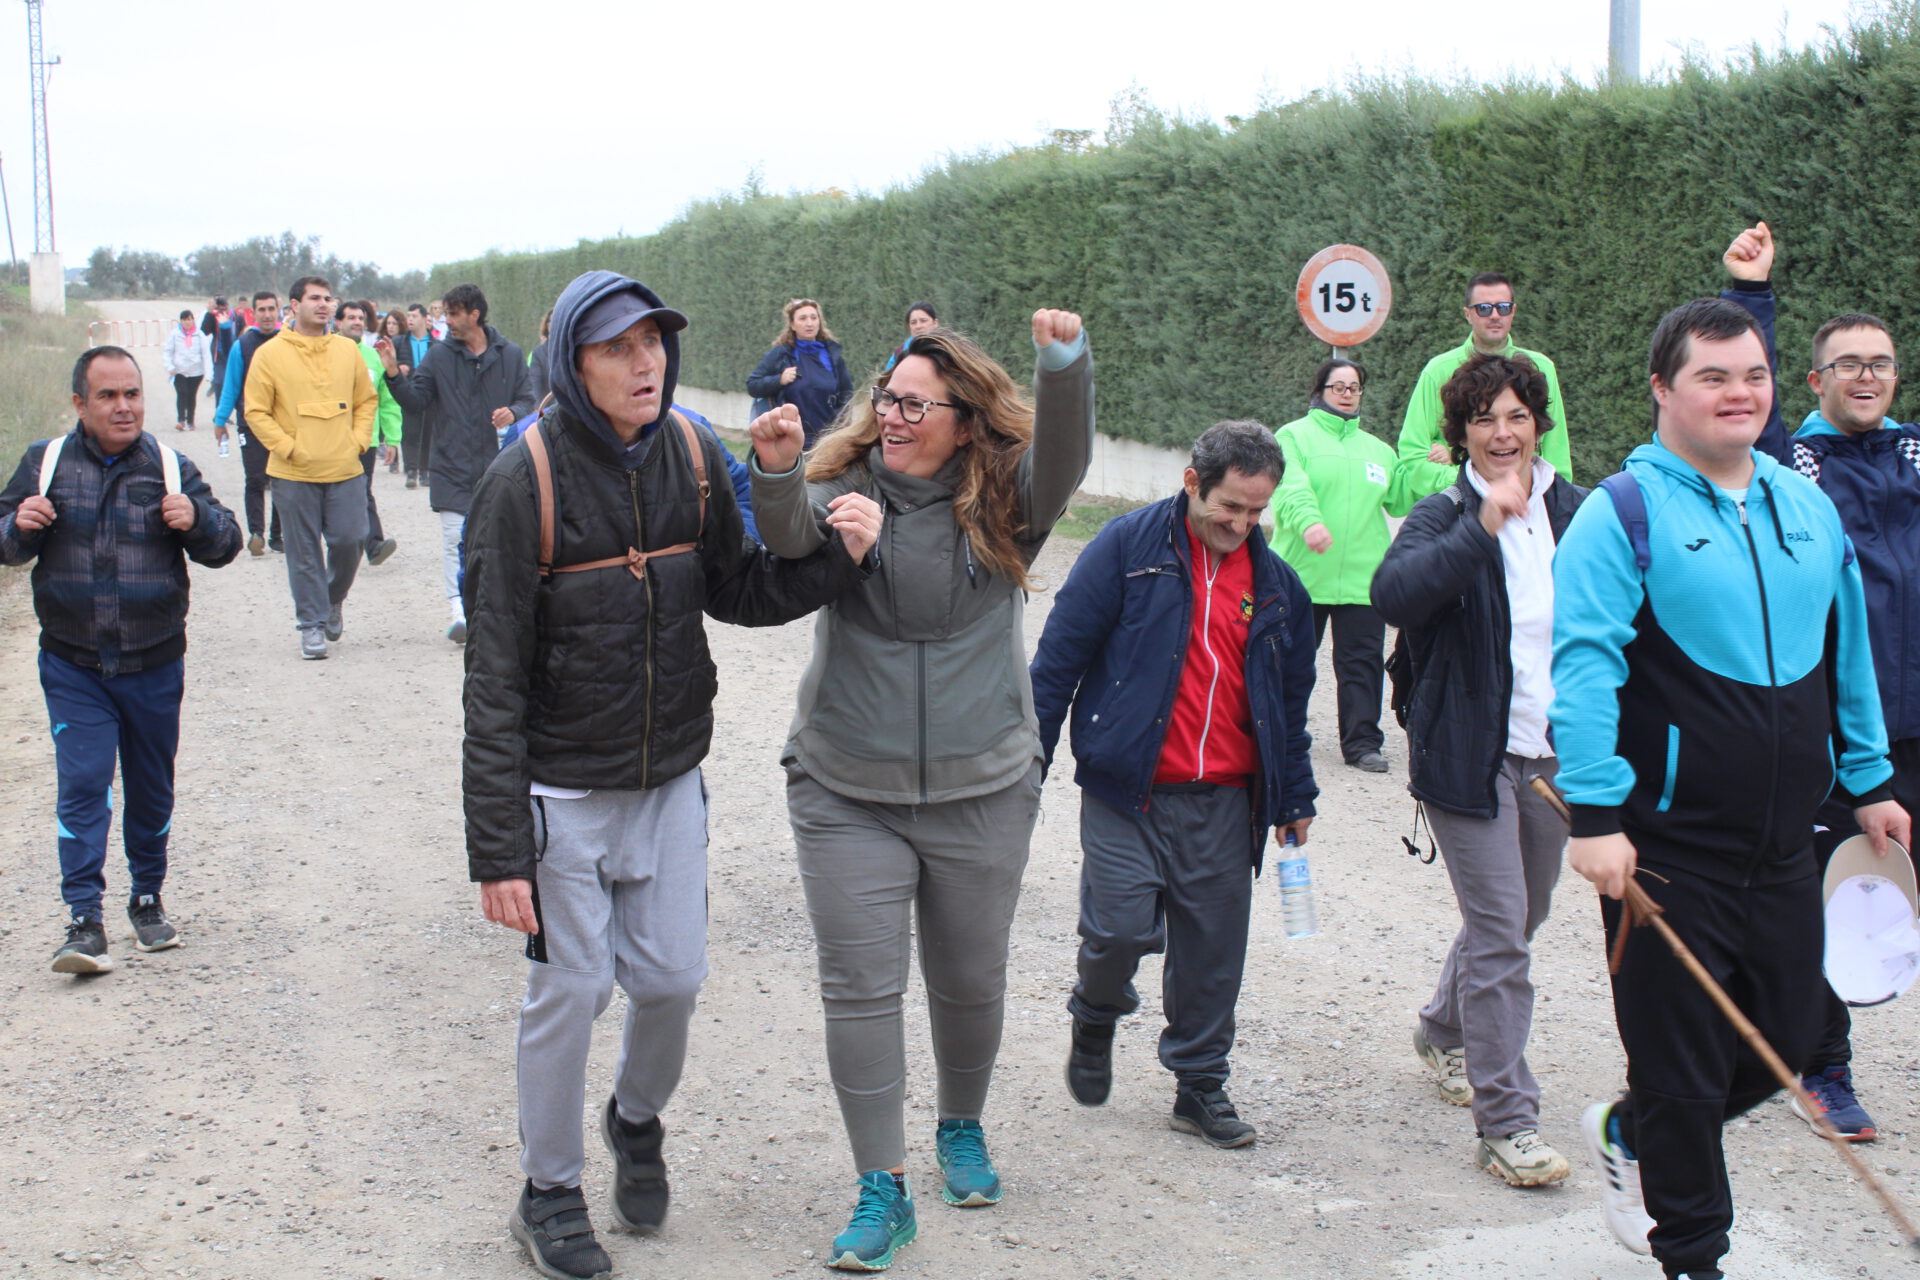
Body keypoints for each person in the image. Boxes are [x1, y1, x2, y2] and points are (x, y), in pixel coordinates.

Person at [462, 269, 880, 1280]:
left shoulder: (692, 451)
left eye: (652, 341)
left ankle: (635, 1118)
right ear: (572, 361)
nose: (643, 362)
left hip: (668, 783)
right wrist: (498, 850)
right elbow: (493, 681)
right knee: (570, 992)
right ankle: (548, 1191)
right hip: (561, 793)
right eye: (616, 347)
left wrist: (837, 559)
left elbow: (738, 587)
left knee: (673, 983)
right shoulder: (524, 481)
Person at [1552, 296, 1908, 1278]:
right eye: (1713, 376)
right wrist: (1594, 814)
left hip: (1788, 843)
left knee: (1790, 1038)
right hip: (1666, 851)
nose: (1739, 393)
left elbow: (1848, 653)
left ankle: (1635, 1131)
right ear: (1662, 389)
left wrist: (1870, 777)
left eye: (1753, 374)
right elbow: (1583, 668)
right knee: (1680, 1061)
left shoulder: (1808, 505)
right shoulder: (1621, 513)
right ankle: (1694, 1255)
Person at [749, 311, 1093, 1271]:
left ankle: (961, 1126)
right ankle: (881, 1186)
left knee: (971, 978)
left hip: (985, 784)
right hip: (846, 785)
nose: (892, 418)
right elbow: (786, 536)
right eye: (887, 400)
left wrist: (1063, 363)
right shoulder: (848, 488)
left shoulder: (1008, 502)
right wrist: (777, 470)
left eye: (915, 406)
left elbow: (1065, 458)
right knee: (860, 989)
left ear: (965, 421)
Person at [1029, 420, 1317, 1152]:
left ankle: (1200, 1085)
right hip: (1127, 789)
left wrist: (1294, 796)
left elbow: (1289, 703)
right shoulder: (1125, 550)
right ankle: (1095, 1014)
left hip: (1225, 799)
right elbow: (1058, 660)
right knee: (1118, 929)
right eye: (1230, 506)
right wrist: (1026, 762)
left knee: (1212, 955)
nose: (1241, 524)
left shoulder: (1278, 587)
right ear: (1192, 482)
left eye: (1257, 512)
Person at [1718, 220, 1920, 1142]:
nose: (1866, 377)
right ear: (1814, 380)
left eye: (1880, 363)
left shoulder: (1912, 454)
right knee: (1836, 900)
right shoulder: (1792, 465)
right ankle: (1824, 1069)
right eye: (1848, 364)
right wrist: (1750, 296)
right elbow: (1742, 411)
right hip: (1836, 732)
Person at [1371, 353, 1586, 1187]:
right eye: (1484, 419)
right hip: (1468, 755)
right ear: (1460, 433)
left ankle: (1441, 1028)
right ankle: (1508, 1123)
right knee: (1500, 931)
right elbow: (1395, 595)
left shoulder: (1578, 511)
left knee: (1522, 915)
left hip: (1552, 754)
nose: (1502, 433)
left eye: (1517, 416)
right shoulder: (1445, 512)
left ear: (1539, 425)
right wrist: (1482, 526)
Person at [0, 346, 241, 973]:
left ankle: (147, 899)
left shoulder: (169, 466)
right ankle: (84, 920)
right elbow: (5, 541)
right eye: (107, 396)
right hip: (74, 664)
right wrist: (18, 527)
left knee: (150, 786)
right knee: (83, 785)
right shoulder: (46, 463)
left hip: (154, 664)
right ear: (80, 404)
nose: (124, 406)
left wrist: (197, 520)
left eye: (132, 393)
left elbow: (226, 544)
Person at [1268, 358, 1412, 772]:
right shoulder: (1293, 437)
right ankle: (1278, 735)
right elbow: (1289, 487)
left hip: (1363, 580)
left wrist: (1441, 467)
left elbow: (1401, 497)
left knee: (1362, 665)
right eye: (1339, 387)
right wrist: (1309, 523)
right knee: (1290, 662)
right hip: (1302, 576)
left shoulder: (1379, 450)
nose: (1348, 394)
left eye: (1355, 387)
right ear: (1320, 391)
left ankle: (1363, 744)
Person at [378, 283, 533, 643]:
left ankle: (496, 609)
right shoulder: (438, 357)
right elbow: (416, 401)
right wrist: (393, 375)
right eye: (445, 313)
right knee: (454, 540)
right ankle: (460, 611)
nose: (445, 320)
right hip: (450, 465)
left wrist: (514, 412)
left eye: (452, 313)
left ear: (474, 314)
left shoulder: (510, 355)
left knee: (498, 543)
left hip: (501, 469)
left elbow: (528, 400)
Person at [243, 275, 378, 660]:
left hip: (344, 466)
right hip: (294, 472)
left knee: (351, 539)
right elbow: (256, 411)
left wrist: (357, 440)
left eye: (328, 298)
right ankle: (311, 625)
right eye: (315, 298)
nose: (324, 304)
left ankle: (332, 599)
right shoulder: (270, 353)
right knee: (303, 552)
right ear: (294, 305)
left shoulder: (347, 350)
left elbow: (366, 401)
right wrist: (287, 447)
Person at [1397, 272, 1574, 500]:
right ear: (1468, 314)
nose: (1494, 315)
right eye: (1484, 309)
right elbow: (1413, 455)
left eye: (1503, 307)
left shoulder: (1542, 368)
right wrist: (1469, 484)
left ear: (1513, 311)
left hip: (1527, 502)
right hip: (1458, 506)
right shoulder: (1438, 371)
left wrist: (1555, 500)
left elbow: (1556, 449)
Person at [213, 290, 285, 555]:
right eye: (261, 310)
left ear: (278, 311)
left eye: (271, 309)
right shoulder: (242, 345)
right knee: (255, 478)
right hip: (250, 423)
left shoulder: (288, 341)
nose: (267, 314)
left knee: (281, 479)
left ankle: (278, 535)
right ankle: (257, 534)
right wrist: (221, 419)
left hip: (283, 424)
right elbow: (231, 385)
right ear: (253, 313)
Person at [336, 300, 400, 566]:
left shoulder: (374, 358)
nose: (357, 322)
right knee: (337, 494)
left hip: (367, 439)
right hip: (332, 438)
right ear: (338, 322)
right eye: (351, 317)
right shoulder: (326, 353)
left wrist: (392, 438)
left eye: (360, 318)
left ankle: (373, 545)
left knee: (362, 490)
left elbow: (387, 401)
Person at [745, 297, 853, 447]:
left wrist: (840, 428)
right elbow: (752, 385)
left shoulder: (832, 355)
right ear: (792, 324)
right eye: (802, 318)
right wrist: (779, 380)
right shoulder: (781, 354)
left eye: (814, 318)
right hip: (791, 441)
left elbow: (846, 394)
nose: (809, 323)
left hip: (827, 441)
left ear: (819, 322)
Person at [398, 303, 436, 487]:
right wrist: (398, 369)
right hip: (409, 391)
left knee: (429, 432)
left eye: (414, 316)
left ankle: (425, 470)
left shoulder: (436, 344)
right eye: (408, 316)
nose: (410, 319)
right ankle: (411, 470)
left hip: (430, 394)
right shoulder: (400, 343)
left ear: (424, 318)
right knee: (409, 432)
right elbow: (389, 365)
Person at [162, 309, 210, 434]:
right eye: (184, 320)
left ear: (193, 320)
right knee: (182, 392)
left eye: (189, 319)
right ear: (181, 321)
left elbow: (206, 354)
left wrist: (209, 372)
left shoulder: (199, 335)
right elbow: (168, 351)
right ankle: (181, 420)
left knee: (191, 395)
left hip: (196, 371)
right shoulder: (175, 334)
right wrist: (169, 366)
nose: (187, 322)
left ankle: (190, 421)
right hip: (179, 370)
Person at [375, 310, 407, 472]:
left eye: (394, 323)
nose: (391, 326)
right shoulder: (379, 343)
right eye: (388, 323)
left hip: (401, 384)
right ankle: (393, 459)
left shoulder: (405, 342)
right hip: (385, 385)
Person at [200, 296, 240, 411]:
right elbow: (204, 331)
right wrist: (209, 313)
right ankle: (219, 412)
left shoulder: (235, 316)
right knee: (220, 382)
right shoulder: (214, 316)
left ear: (228, 306)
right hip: (219, 353)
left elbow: (242, 331)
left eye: (224, 308)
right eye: (220, 309)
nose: (222, 312)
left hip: (235, 353)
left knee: (235, 383)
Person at [881, 301, 940, 372]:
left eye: (923, 321)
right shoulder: (899, 353)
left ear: (935, 323)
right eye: (913, 322)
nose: (918, 326)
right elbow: (888, 377)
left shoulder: (946, 349)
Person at [528, 307, 555, 406]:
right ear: (547, 325)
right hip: (549, 409)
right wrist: (538, 408)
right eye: (552, 321)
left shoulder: (574, 349)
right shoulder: (538, 354)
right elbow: (534, 384)